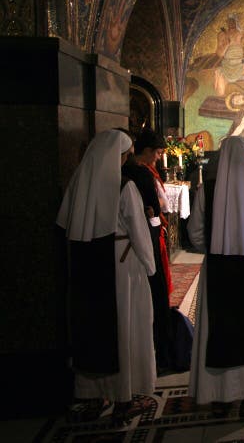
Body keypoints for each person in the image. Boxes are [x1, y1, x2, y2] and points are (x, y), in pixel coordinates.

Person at [56, 129, 156, 425]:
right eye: (125, 155)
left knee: (92, 327)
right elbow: (138, 231)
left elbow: (64, 222)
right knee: (124, 327)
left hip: (88, 264)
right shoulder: (124, 187)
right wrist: (150, 266)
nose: (127, 159)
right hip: (122, 265)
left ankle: (92, 393)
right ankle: (124, 397)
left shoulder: (78, 182)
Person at [187, 136, 244, 418]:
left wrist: (217, 248)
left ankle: (220, 396)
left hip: (217, 268)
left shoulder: (208, 189)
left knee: (219, 329)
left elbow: (195, 233)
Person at [122, 129, 174, 374]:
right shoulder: (141, 174)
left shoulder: (124, 172)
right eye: (156, 153)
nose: (158, 157)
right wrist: (155, 219)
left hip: (126, 247)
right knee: (156, 290)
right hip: (145, 242)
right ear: (145, 151)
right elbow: (155, 207)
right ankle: (161, 351)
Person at [214, 14, 244, 96]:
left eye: (233, 20)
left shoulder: (241, 33)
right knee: (218, 75)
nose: (231, 23)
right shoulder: (222, 35)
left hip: (240, 62)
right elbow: (219, 54)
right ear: (227, 22)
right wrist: (226, 44)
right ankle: (220, 103)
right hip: (227, 64)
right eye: (229, 21)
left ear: (236, 21)